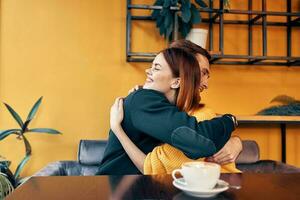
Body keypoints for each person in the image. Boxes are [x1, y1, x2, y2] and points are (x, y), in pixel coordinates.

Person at [97, 47, 237, 175]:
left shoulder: (165, 107)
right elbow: (200, 143)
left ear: (176, 82)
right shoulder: (143, 99)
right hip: (113, 188)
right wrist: (230, 120)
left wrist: (235, 141)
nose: (148, 71)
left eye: (156, 68)